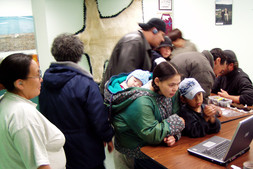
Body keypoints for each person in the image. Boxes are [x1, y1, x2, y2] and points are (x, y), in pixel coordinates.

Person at [39, 33, 114, 169]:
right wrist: (108, 136)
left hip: (58, 149)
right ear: (79, 55)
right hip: (87, 151)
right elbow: (98, 117)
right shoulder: (85, 83)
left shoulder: (44, 83)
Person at [104, 61, 185, 169]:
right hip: (133, 155)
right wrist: (177, 123)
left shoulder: (169, 92)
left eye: (178, 84)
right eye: (171, 85)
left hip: (153, 152)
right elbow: (151, 133)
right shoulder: (141, 101)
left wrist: (174, 136)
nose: (175, 88)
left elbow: (175, 114)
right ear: (157, 81)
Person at [0, 53, 66, 169]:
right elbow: (39, 166)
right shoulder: (23, 115)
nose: (41, 79)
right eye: (37, 75)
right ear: (20, 83)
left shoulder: (5, 103)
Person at [100, 18, 166, 95]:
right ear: (154, 30)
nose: (163, 39)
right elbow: (124, 77)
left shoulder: (141, 43)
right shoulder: (134, 42)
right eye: (162, 35)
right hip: (117, 98)